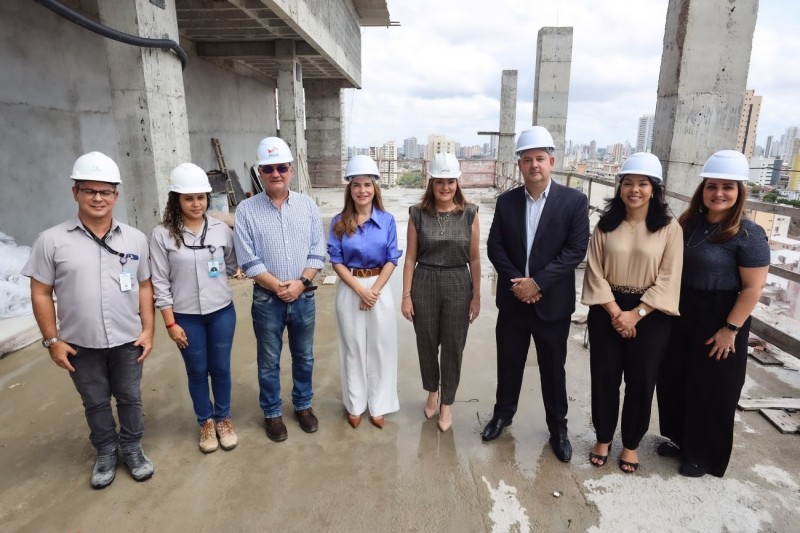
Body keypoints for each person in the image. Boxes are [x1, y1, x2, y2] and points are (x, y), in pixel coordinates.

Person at [22, 152, 154, 489]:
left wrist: (149, 329)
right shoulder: (52, 240)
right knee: (94, 401)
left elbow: (143, 285)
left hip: (127, 340)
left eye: (105, 191)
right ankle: (107, 451)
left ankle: (132, 447)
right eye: (89, 190)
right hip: (80, 343)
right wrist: (53, 341)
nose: (98, 198)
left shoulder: (135, 238)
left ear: (116, 196)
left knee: (130, 397)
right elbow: (40, 292)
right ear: (75, 193)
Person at [656, 150, 769, 478]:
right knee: (676, 377)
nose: (719, 193)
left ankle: (703, 455)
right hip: (683, 309)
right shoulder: (688, 223)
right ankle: (679, 439)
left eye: (728, 187)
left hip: (721, 313)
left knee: (712, 387)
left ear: (739, 192)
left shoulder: (749, 234)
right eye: (713, 186)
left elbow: (752, 288)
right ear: (702, 190)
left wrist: (730, 329)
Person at [482, 126, 590, 463]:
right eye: (527, 159)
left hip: (551, 304)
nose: (534, 165)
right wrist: (519, 282)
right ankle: (502, 415)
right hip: (515, 300)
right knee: (509, 362)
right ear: (519, 164)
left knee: (552, 370)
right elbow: (494, 245)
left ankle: (558, 428)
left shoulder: (573, 201)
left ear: (552, 162)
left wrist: (538, 283)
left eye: (540, 159)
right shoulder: (507, 202)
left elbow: (575, 250)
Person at [580, 153, 683, 473]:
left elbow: (669, 277)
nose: (634, 189)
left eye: (643, 183)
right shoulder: (606, 224)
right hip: (607, 308)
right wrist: (615, 312)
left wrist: (635, 314)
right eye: (628, 183)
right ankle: (603, 437)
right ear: (620, 187)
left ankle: (631, 444)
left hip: (651, 314)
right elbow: (594, 270)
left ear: (655, 189)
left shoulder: (669, 228)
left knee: (641, 381)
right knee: (605, 378)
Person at [233, 137, 325, 442]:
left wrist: (300, 284)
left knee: (304, 356)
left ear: (291, 170)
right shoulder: (246, 210)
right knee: (268, 360)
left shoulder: (307, 206)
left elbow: (317, 249)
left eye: (281, 167)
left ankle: (303, 405)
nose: (276, 173)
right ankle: (272, 413)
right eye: (269, 168)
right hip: (266, 299)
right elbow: (248, 258)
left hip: (304, 295)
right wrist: (278, 287)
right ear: (260, 172)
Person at [150, 163, 239, 453]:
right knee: (197, 371)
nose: (196, 203)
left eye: (201, 197)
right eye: (189, 198)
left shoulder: (220, 229)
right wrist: (170, 323)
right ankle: (206, 422)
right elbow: (160, 282)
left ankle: (224, 418)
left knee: (221, 369)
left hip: (221, 312)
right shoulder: (162, 235)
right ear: (176, 200)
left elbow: (229, 265)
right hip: (186, 317)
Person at [401, 152, 481, 433]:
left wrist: (476, 295)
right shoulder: (417, 214)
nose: (445, 187)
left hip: (459, 281)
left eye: (450, 181)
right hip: (424, 280)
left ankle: (447, 402)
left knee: (453, 345)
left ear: (458, 182)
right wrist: (406, 295)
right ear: (431, 183)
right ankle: (432, 391)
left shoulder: (469, 213)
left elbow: (475, 259)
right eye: (439, 182)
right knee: (426, 341)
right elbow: (410, 257)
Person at [328, 155, 402, 429]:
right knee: (353, 348)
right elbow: (336, 260)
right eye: (356, 184)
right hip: (350, 288)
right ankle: (355, 404)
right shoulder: (339, 221)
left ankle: (379, 404)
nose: (362, 190)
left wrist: (374, 291)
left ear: (375, 188)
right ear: (349, 188)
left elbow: (392, 259)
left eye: (367, 184)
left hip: (378, 289)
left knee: (381, 347)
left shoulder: (387, 220)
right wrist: (360, 289)